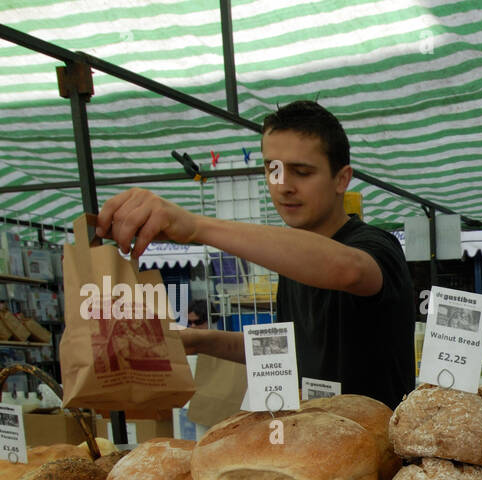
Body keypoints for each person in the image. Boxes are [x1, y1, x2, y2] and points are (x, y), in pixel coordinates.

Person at [93, 100, 416, 410]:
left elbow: (348, 269)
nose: (283, 185)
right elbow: (284, 350)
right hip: (314, 442)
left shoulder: (376, 245)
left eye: (302, 172)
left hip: (380, 450)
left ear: (341, 178)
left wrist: (194, 226)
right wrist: (199, 341)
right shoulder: (293, 260)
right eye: (273, 169)